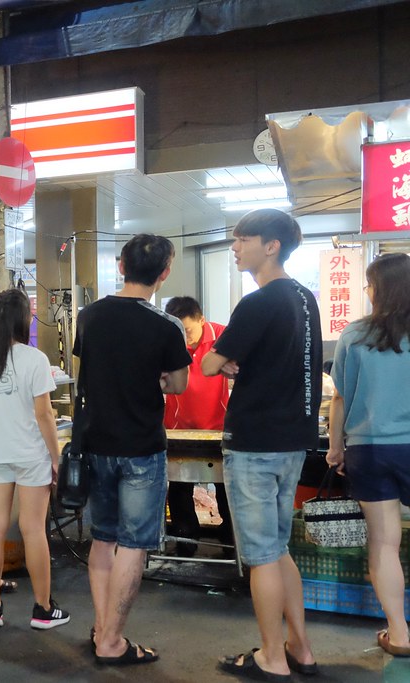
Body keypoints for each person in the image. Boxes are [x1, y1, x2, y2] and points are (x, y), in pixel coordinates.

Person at [201, 209, 321, 680]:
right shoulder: (304, 298)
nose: (234, 247)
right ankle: (300, 648)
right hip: (294, 439)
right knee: (279, 547)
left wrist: (224, 361)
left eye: (242, 239)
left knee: (261, 555)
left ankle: (271, 658)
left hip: (255, 442)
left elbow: (210, 364)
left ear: (270, 246)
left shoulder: (259, 301)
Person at [75, 234, 190, 664]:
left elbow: (90, 372)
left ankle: (102, 630)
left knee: (103, 539)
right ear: (163, 274)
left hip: (97, 445)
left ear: (121, 265)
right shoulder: (167, 325)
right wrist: (157, 379)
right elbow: (178, 384)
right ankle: (111, 641)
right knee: (133, 544)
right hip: (142, 446)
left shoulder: (88, 316)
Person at [0, 289, 69, 631]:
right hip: (30, 455)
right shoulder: (33, 359)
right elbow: (44, 415)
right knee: (32, 529)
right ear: (23, 319)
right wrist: (56, 459)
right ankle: (42, 609)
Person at [326, 253, 410, 657]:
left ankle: (399, 634)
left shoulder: (354, 335)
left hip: (370, 448)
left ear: (377, 289)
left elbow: (339, 397)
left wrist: (335, 447)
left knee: (384, 543)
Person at [162, 296, 233, 556]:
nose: (185, 338)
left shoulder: (222, 336)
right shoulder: (168, 338)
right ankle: (185, 542)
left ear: (201, 320)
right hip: (177, 429)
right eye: (179, 332)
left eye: (189, 331)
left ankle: (229, 542)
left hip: (217, 428)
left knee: (226, 489)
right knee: (180, 489)